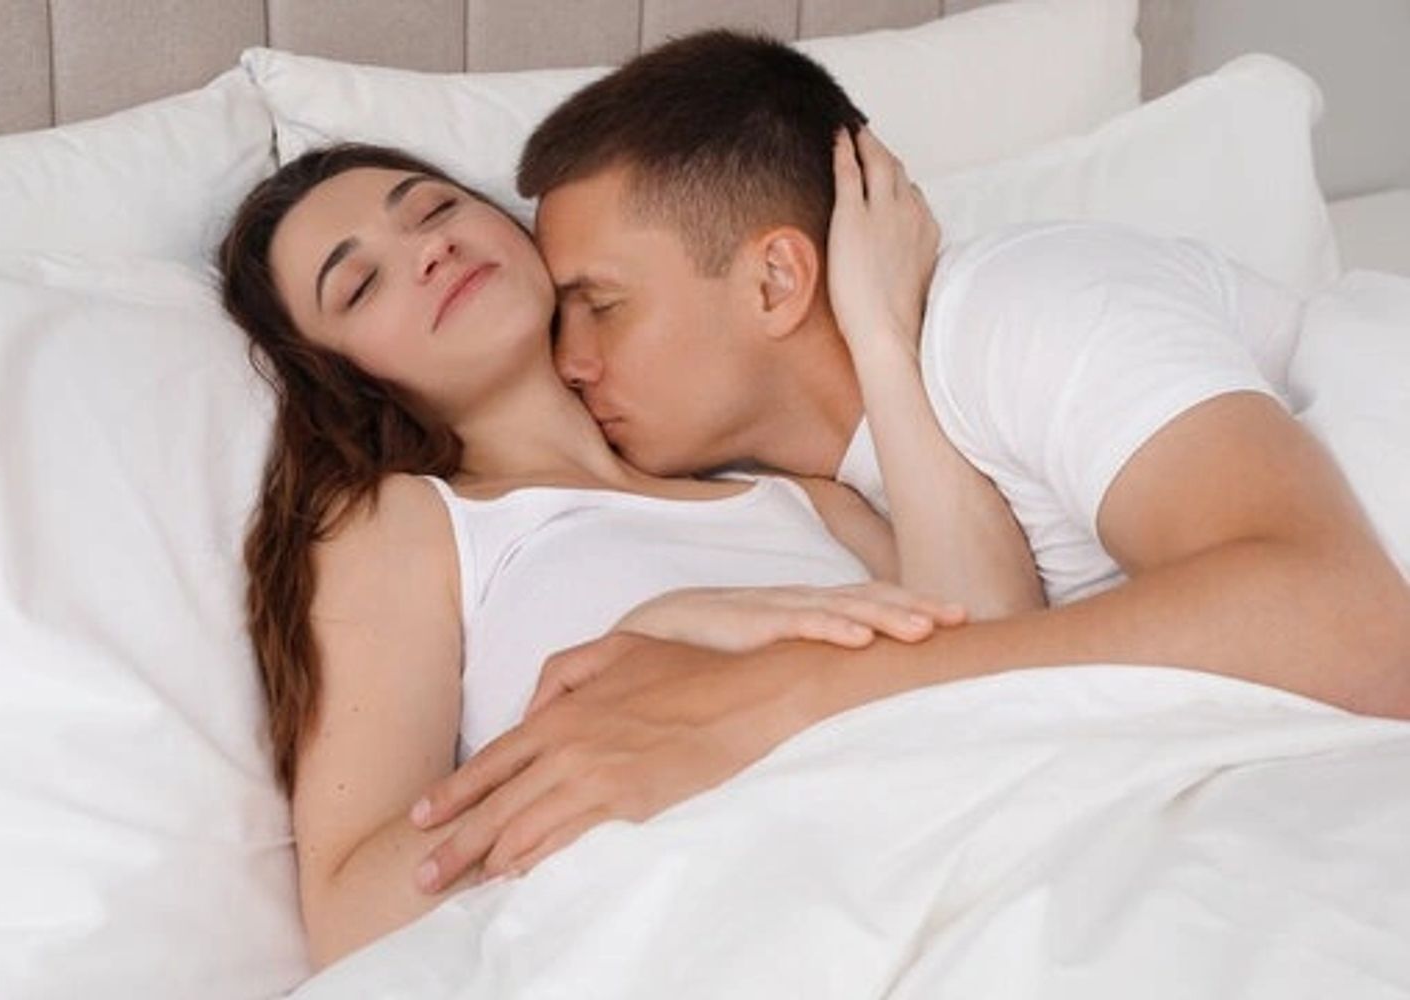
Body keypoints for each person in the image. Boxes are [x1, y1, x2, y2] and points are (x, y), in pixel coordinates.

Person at [408, 30, 1410, 896]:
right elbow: (988, 667)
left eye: (602, 306)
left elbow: (1347, 625)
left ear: (775, 281)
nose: (571, 361)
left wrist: (775, 698)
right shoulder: (831, 499)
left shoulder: (1023, 306)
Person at [215, 142, 1037, 968]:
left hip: (982, 860)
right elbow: (354, 916)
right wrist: (651, 645)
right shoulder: (412, 523)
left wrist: (880, 332)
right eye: (361, 285)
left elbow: (1014, 653)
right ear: (338, 378)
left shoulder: (792, 496)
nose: (430, 248)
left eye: (435, 209)